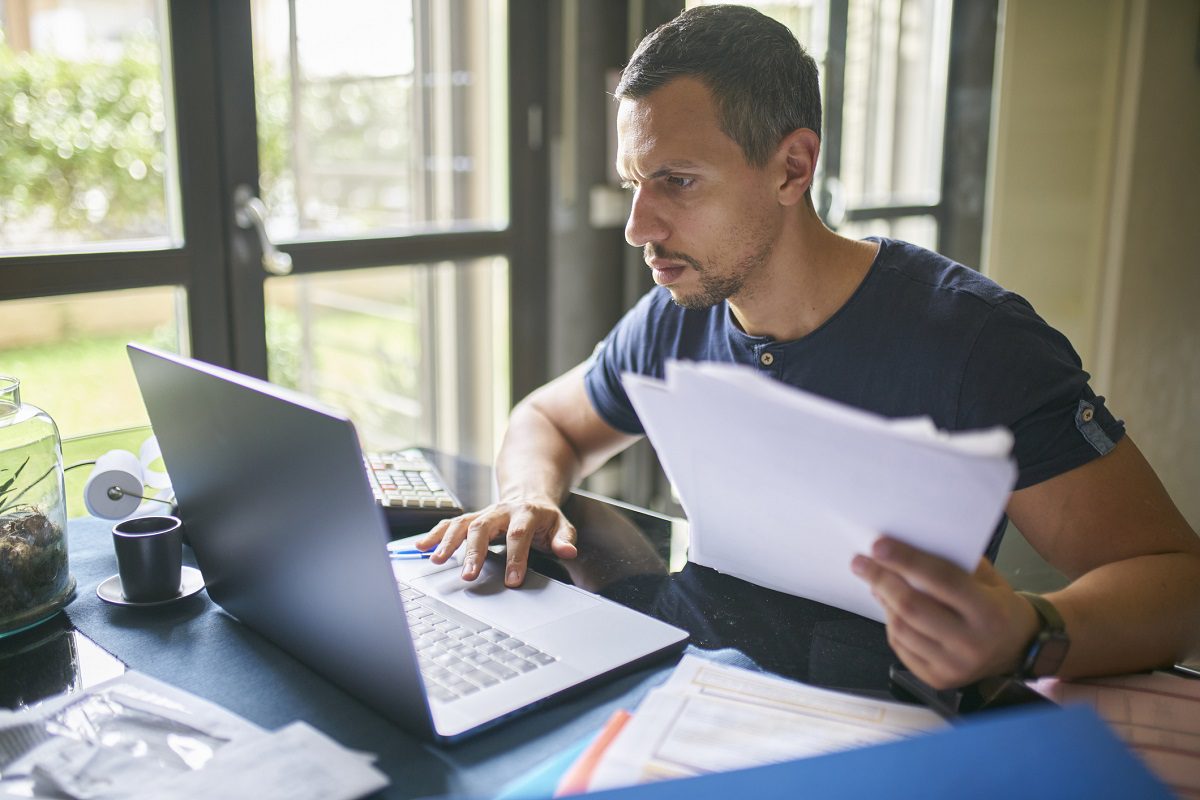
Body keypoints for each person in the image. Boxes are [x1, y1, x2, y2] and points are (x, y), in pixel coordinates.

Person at [416, 4, 1200, 690]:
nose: (638, 228)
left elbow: (1176, 580)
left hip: (885, 711)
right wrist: (526, 492)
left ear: (793, 166)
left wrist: (1029, 631)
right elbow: (547, 419)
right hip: (690, 682)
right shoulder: (677, 313)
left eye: (679, 182)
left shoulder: (978, 341)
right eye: (634, 184)